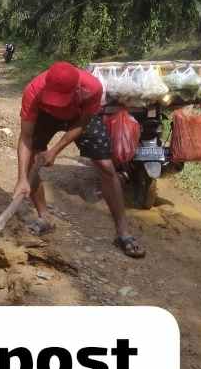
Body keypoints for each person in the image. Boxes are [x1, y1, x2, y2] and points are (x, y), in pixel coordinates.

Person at [14, 61, 146, 258]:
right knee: (32, 159)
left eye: (61, 99)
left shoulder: (92, 87)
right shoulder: (33, 91)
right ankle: (45, 218)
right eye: (52, 98)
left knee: (106, 167)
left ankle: (122, 233)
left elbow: (83, 123)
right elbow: (26, 137)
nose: (55, 103)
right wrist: (22, 178)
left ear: (77, 89)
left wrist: (55, 151)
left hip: (78, 116)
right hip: (45, 117)